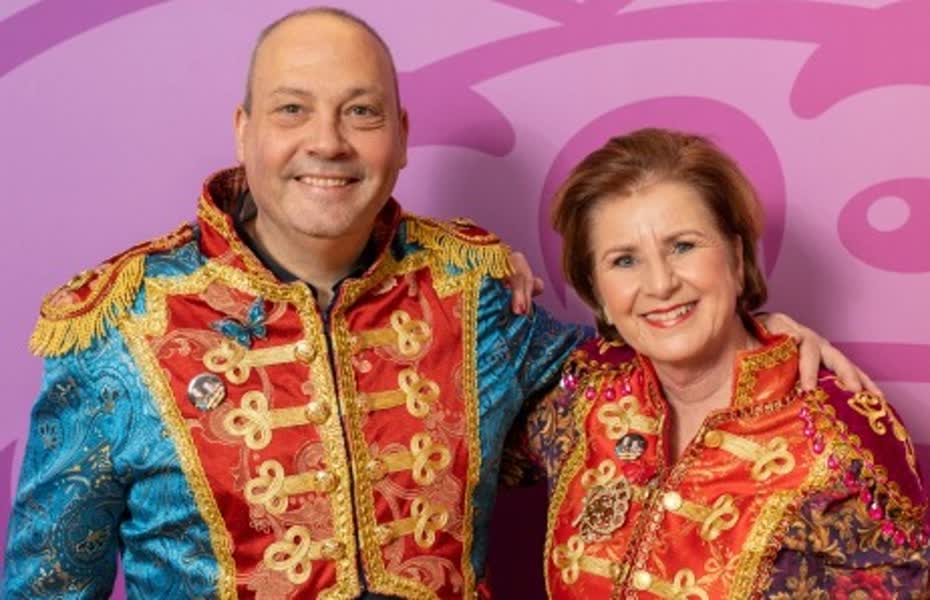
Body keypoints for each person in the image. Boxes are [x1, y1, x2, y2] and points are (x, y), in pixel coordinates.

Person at [2, 9, 874, 599]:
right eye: (293, 109)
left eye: (361, 112)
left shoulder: (474, 294)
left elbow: (631, 368)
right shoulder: (121, 327)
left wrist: (750, 332)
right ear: (244, 130)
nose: (327, 142)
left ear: (401, 136)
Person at [511, 128, 929, 598]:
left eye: (683, 246)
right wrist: (496, 271)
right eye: (624, 260)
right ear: (597, 292)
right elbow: (453, 427)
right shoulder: (579, 393)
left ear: (735, 255)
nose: (660, 284)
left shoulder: (838, 433)